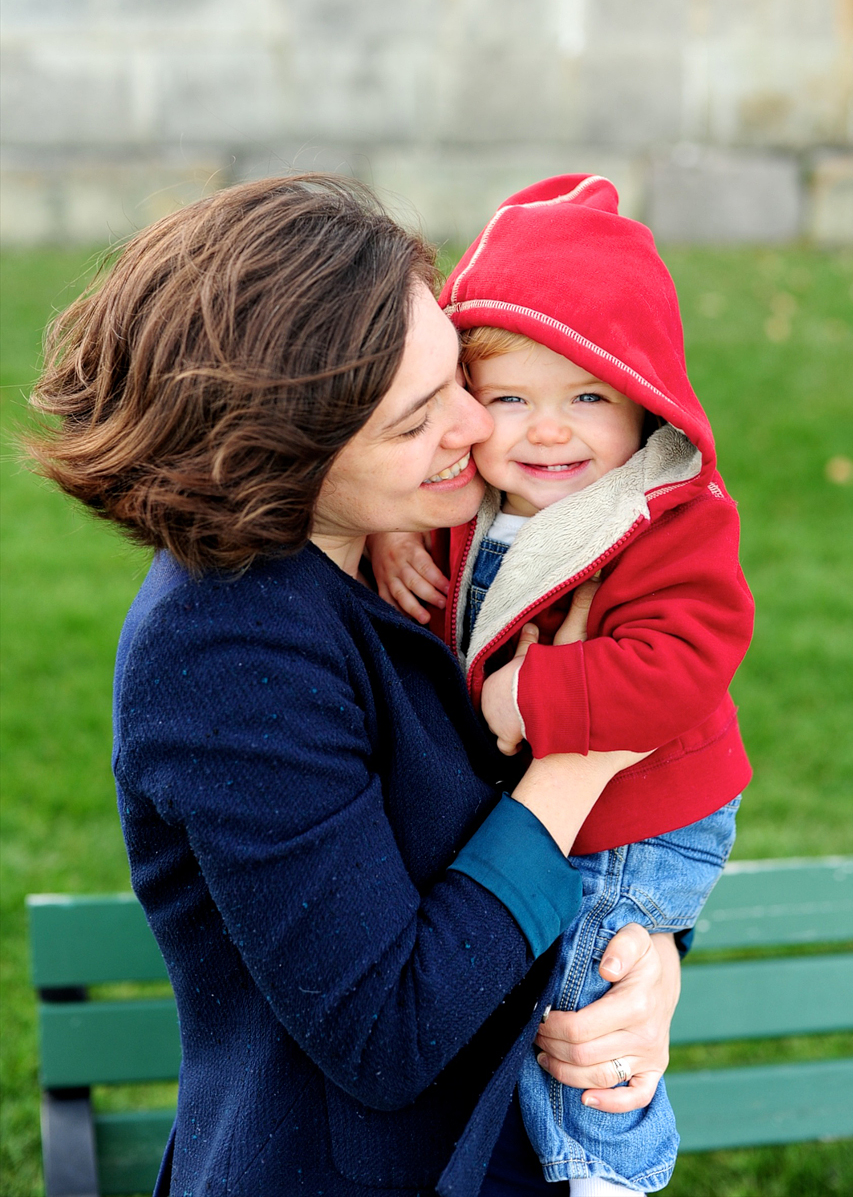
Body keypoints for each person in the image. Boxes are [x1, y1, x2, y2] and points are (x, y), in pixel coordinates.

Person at [27, 174, 684, 1197]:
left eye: (460, 374)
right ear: (283, 457)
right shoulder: (226, 650)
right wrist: (577, 766)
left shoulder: (418, 557)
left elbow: (506, 855)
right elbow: (388, 1028)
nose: (477, 424)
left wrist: (648, 960)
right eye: (418, 418)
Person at [370, 174, 754, 1194]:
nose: (548, 434)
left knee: (585, 978)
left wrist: (528, 697)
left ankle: (609, 1167)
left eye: (589, 398)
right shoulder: (483, 504)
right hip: (570, 810)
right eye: (509, 400)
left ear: (647, 400)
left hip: (648, 816)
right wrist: (392, 530)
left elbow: (684, 662)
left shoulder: (663, 516)